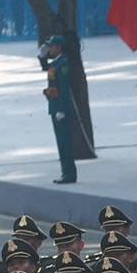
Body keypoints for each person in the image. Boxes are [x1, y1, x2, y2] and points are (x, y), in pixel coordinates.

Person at [39, 34, 82, 185]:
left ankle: (69, 174)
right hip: (55, 105)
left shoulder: (63, 64)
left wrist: (62, 109)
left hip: (60, 108)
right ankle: (65, 172)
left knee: (65, 142)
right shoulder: (56, 63)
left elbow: (63, 88)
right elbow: (46, 68)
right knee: (61, 142)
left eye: (51, 46)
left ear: (58, 47)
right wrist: (41, 56)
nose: (49, 48)